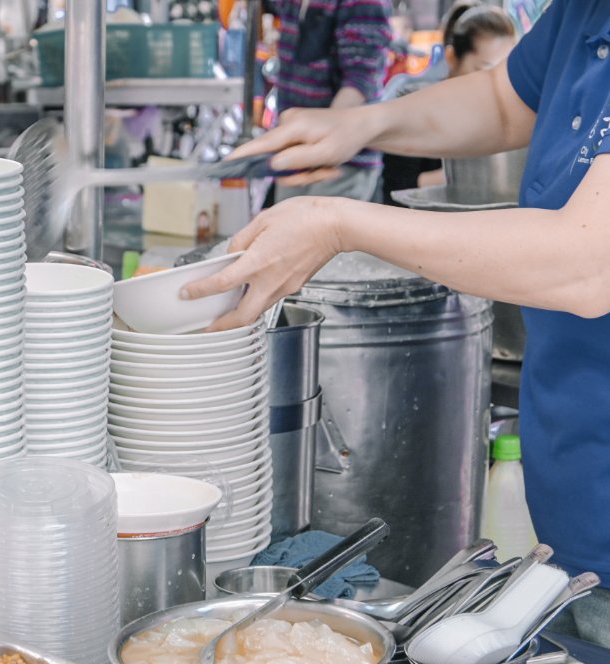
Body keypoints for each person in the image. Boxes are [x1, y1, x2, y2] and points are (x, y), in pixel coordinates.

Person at [182, 0, 610, 646]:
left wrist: (339, 223)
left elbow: (584, 264)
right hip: (577, 505)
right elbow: (502, 101)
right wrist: (362, 124)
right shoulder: (582, 13)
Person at [382, 1, 518, 202]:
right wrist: (473, 172)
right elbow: (397, 189)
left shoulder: (517, 114)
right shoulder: (415, 106)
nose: (496, 85)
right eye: (484, 72)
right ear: (451, 57)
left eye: (505, 73)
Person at [269, 0, 393, 203]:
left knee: (316, 230)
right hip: (296, 149)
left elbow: (360, 83)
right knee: (286, 229)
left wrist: (325, 144)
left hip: (343, 159)